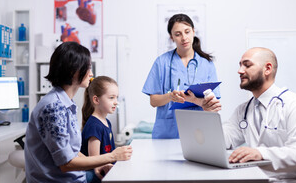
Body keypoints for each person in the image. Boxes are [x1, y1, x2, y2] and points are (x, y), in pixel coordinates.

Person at [24, 42, 132, 183]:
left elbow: (71, 151)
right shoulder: (53, 108)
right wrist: (112, 156)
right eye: (87, 68)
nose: (91, 73)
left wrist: (99, 164)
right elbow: (66, 164)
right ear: (72, 71)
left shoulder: (66, 104)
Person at [223, 47, 296, 182]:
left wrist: (260, 153)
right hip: (263, 178)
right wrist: (208, 112)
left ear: (267, 69)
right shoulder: (244, 110)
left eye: (247, 65)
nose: (240, 71)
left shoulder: (295, 105)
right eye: (240, 65)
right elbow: (225, 138)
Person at [142, 13, 221, 139]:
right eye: (178, 34)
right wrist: (170, 96)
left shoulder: (207, 64)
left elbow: (213, 103)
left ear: (193, 32)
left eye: (187, 32)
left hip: (199, 130)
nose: (184, 38)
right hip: (168, 132)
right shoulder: (162, 62)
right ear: (172, 37)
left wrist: (197, 100)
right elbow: (153, 101)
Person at [81, 76, 128, 182]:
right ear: (96, 100)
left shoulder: (107, 122)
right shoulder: (94, 126)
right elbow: (95, 162)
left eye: (116, 97)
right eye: (111, 98)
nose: (116, 102)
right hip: (97, 176)